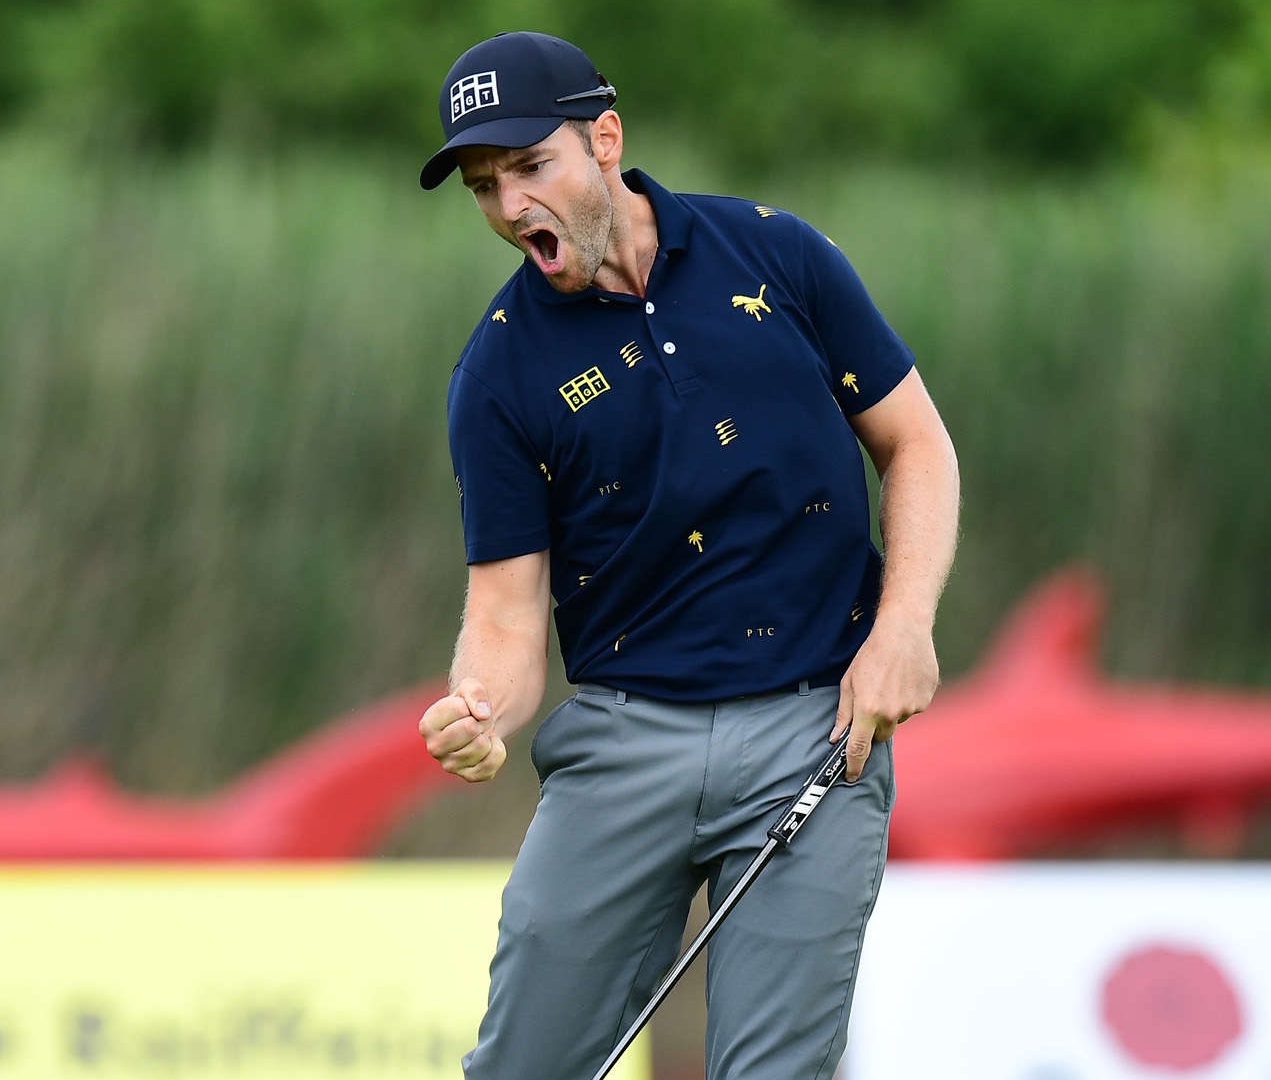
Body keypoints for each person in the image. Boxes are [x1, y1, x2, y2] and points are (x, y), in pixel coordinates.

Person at [417, 30, 959, 1080]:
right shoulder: (496, 374)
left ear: (604, 140)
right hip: (623, 748)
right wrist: (479, 705)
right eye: (484, 187)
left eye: (530, 167)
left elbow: (916, 444)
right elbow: (505, 615)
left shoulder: (776, 253)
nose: (508, 205)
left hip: (819, 731)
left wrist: (902, 629)